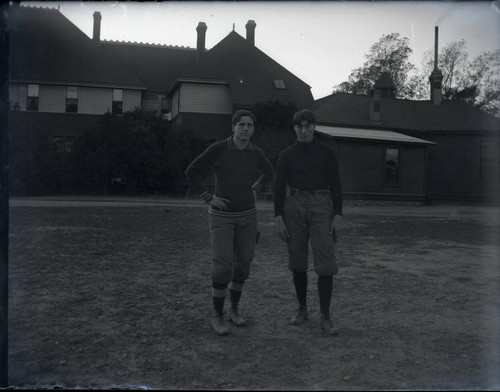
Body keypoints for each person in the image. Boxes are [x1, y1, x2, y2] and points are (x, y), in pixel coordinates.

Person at [185, 109, 274, 336]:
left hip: (247, 216)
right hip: (221, 217)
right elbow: (191, 171)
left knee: (243, 264)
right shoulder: (219, 149)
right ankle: (217, 315)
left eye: (250, 125)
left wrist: (257, 187)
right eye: (242, 124)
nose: (246, 129)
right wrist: (208, 197)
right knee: (223, 266)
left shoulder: (256, 153)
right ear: (233, 127)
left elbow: (269, 171)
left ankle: (234, 309)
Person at [274, 109, 343, 336]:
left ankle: (325, 316)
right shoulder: (287, 155)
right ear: (294, 128)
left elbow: (336, 184)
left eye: (308, 126)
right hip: (293, 206)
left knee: (325, 260)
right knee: (297, 259)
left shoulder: (327, 153)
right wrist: (278, 217)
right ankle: (302, 308)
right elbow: (278, 186)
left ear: (314, 126)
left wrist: (338, 215)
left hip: (321, 205)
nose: (304, 130)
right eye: (299, 126)